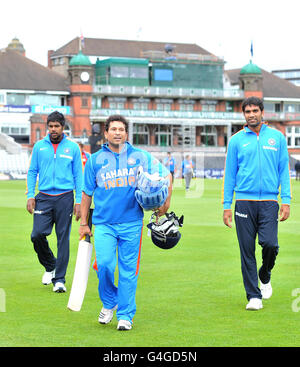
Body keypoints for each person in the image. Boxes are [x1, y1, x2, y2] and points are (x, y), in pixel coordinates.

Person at [79, 114, 172, 331]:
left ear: (126, 133)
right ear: (106, 133)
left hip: (132, 223)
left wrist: (165, 204)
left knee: (129, 270)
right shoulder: (94, 161)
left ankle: (125, 315)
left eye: (121, 129)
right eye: (113, 129)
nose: (118, 132)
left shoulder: (140, 156)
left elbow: (167, 176)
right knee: (104, 266)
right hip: (104, 224)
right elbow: (86, 194)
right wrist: (84, 222)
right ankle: (110, 301)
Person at [222, 96, 291, 311]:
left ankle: (265, 273)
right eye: (247, 111)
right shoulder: (236, 140)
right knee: (247, 251)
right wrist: (226, 205)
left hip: (269, 201)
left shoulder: (277, 138)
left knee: (271, 244)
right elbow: (230, 174)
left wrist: (286, 200)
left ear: (262, 112)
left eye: (255, 111)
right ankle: (254, 296)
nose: (251, 114)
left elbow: (283, 171)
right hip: (243, 202)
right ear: (244, 115)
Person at [26, 111, 83, 293]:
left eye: (56, 126)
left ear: (62, 127)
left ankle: (59, 279)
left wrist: (79, 201)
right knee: (36, 235)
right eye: (50, 126)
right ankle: (50, 265)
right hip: (43, 197)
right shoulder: (39, 147)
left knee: (62, 239)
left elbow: (78, 176)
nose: (53, 130)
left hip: (65, 197)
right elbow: (32, 171)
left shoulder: (73, 148)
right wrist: (30, 195)